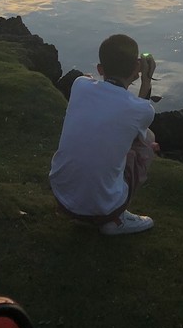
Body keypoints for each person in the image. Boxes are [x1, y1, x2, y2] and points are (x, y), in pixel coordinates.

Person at [49, 34, 158, 236]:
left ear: (100, 69)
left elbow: (92, 83)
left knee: (124, 135)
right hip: (102, 207)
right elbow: (140, 114)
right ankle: (116, 219)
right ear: (137, 68)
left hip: (62, 196)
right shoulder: (141, 110)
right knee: (148, 142)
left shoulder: (79, 85)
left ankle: (96, 207)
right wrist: (146, 81)